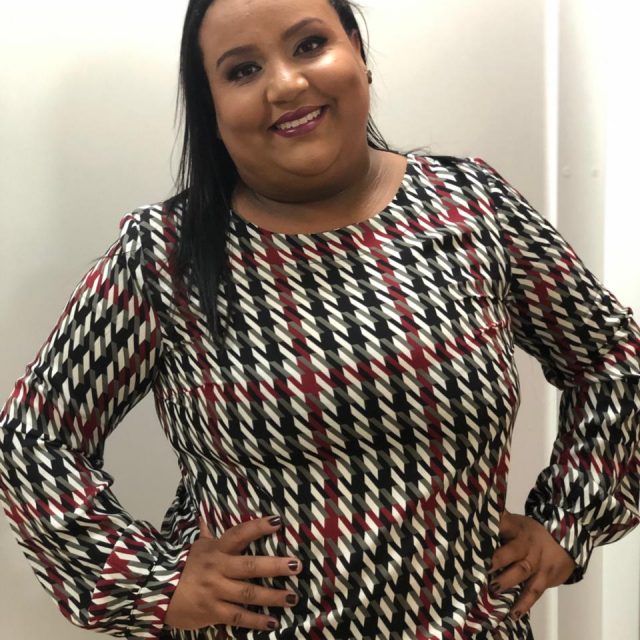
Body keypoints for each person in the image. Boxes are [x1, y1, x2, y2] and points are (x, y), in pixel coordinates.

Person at [0, 0, 638, 638]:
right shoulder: (166, 256)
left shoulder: (471, 209)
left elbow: (616, 362)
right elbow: (31, 438)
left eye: (309, 45)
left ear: (356, 49)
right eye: (242, 70)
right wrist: (150, 583)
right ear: (212, 108)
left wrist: (569, 521)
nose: (284, 84)